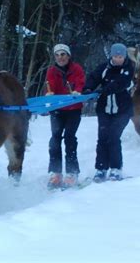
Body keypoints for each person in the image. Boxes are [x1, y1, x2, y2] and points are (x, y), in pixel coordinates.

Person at [83, 43, 134, 183]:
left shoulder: (128, 68)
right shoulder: (104, 68)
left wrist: (104, 90)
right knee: (102, 138)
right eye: (116, 56)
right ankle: (101, 168)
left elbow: (121, 83)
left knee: (113, 137)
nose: (118, 59)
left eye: (121, 57)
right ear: (111, 56)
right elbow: (93, 77)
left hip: (122, 110)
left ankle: (116, 168)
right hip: (104, 110)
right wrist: (88, 88)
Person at [45, 43, 85, 189]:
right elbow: (50, 86)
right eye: (57, 55)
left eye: (63, 54)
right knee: (55, 139)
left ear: (68, 55)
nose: (60, 58)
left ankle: (72, 172)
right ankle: (56, 172)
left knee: (69, 137)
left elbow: (81, 82)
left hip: (73, 110)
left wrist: (78, 92)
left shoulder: (77, 69)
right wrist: (49, 95)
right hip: (58, 110)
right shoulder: (52, 71)